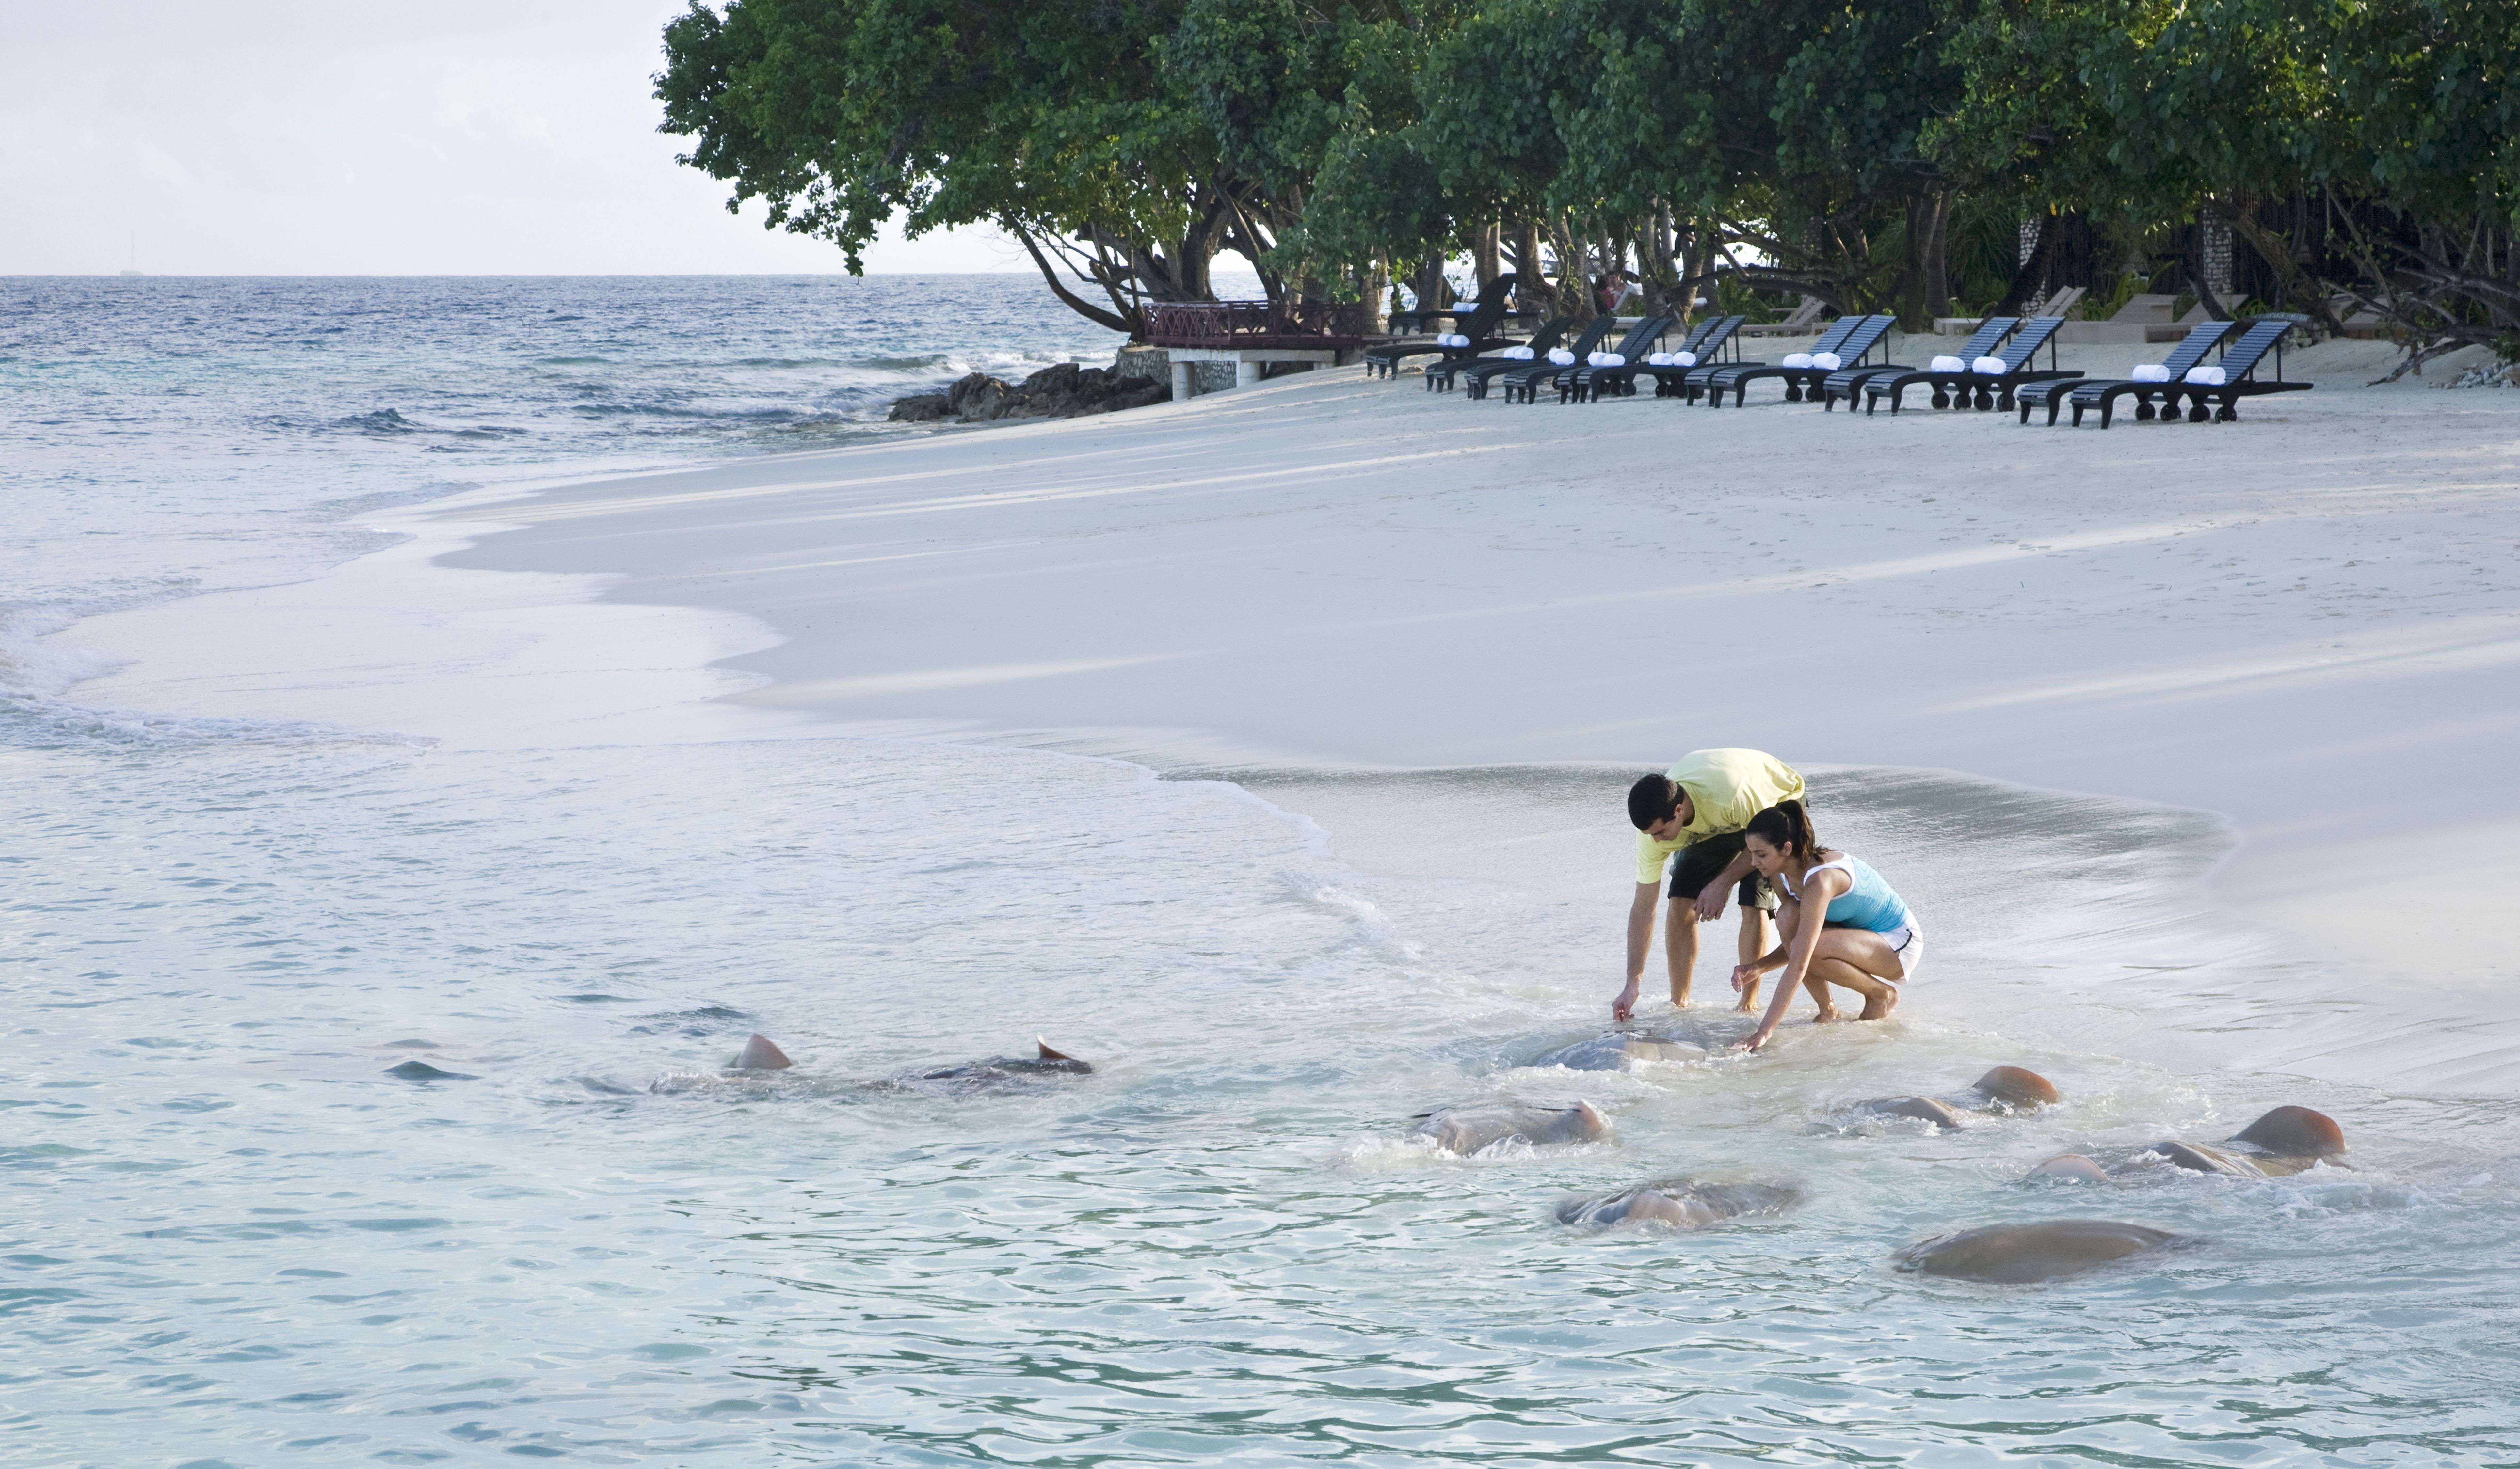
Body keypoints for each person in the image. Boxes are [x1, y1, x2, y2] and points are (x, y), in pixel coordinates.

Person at [1613, 749, 1804, 1022]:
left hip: (1773, 806)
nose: (1657, 841)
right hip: (1719, 823)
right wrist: (1632, 982)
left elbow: (1764, 844)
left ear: (1678, 811)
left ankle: (1747, 1005)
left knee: (1753, 902)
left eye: (1659, 833)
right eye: (1650, 835)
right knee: (1680, 900)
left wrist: (1722, 883)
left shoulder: (1732, 794)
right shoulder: (1651, 835)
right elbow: (1643, 908)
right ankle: (1680, 1005)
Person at [1729, 799, 1922, 1051]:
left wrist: (1764, 1033)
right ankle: (1827, 1009)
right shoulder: (1779, 874)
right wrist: (1758, 967)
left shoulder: (1822, 880)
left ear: (1786, 849)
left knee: (1805, 947)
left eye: (1761, 854)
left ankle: (1880, 995)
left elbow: (1800, 960)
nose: (1753, 863)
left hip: (1897, 944)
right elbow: (1798, 940)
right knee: (1787, 916)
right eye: (1751, 853)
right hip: (1855, 938)